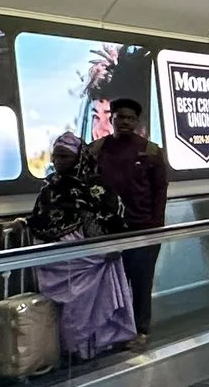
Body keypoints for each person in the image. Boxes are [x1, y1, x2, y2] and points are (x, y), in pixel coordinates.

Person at [28, 132, 137, 360]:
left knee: (86, 302)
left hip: (90, 257)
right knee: (67, 307)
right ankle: (71, 349)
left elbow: (112, 214)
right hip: (55, 258)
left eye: (65, 156)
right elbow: (40, 216)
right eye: (55, 156)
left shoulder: (96, 185)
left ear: (79, 158)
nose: (58, 161)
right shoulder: (50, 186)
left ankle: (91, 346)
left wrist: (108, 243)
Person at [92, 96, 170, 344]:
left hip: (144, 230)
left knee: (140, 281)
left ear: (137, 121)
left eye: (130, 118)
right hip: (108, 230)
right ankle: (112, 331)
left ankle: (140, 330)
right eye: (120, 117)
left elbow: (160, 191)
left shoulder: (150, 151)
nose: (124, 122)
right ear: (111, 119)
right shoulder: (96, 150)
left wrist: (157, 227)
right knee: (111, 283)